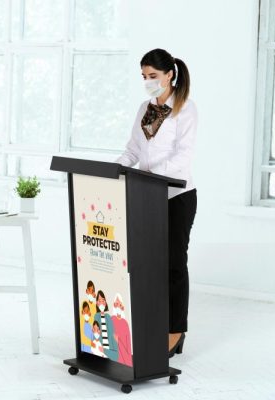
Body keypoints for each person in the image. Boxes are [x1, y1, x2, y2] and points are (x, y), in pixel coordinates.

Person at [115, 48, 197, 357]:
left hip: (177, 196)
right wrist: (116, 167)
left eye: (153, 76)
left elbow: (183, 157)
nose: (148, 82)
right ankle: (149, 325)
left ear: (170, 75)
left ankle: (175, 330)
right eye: (144, 77)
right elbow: (134, 149)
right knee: (147, 265)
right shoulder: (145, 108)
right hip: (146, 196)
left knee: (173, 264)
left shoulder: (185, 110)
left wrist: (152, 177)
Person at [92, 290, 118, 361]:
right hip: (100, 347)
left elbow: (112, 334)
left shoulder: (108, 317)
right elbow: (95, 331)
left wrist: (115, 342)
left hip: (109, 347)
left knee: (114, 356)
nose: (102, 303)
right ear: (97, 303)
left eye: (103, 301)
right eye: (99, 301)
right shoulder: (96, 316)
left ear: (105, 303)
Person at [110, 293, 132, 367]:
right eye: (116, 304)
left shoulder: (125, 323)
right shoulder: (111, 319)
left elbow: (128, 345)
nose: (118, 307)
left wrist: (118, 341)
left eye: (120, 304)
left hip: (124, 356)